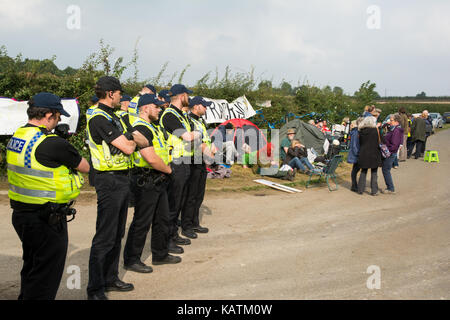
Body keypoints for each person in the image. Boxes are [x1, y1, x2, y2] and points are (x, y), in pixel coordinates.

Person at [7, 92, 90, 299]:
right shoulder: (52, 143)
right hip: (47, 218)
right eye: (58, 115)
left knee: (32, 267)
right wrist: (63, 143)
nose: (59, 120)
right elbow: (85, 166)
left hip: (22, 214)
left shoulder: (18, 135)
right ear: (49, 115)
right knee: (45, 276)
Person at [86, 76, 147, 300]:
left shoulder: (114, 116)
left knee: (117, 233)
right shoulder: (99, 118)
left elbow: (140, 139)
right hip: (109, 180)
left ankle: (110, 279)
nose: (122, 97)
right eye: (120, 93)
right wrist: (132, 139)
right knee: (105, 236)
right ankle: (95, 289)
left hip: (122, 179)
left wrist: (131, 138)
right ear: (111, 93)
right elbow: (130, 147)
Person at [123, 94, 181, 273]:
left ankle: (160, 254)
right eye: (156, 107)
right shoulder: (141, 128)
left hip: (158, 178)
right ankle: (132, 259)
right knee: (142, 221)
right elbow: (150, 157)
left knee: (162, 218)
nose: (159, 109)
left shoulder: (151, 126)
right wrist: (170, 171)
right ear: (145, 108)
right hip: (147, 179)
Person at [160, 84, 200, 249]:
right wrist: (198, 134)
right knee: (173, 204)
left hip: (184, 161)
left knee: (179, 201)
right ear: (181, 95)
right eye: (187, 95)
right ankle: (167, 240)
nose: (188, 98)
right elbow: (188, 136)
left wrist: (195, 135)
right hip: (175, 162)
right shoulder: (170, 115)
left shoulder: (180, 115)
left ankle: (173, 234)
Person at [181, 96, 216, 238]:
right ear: (196, 106)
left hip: (202, 161)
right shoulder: (189, 121)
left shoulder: (200, 121)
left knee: (199, 195)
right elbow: (196, 142)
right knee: (191, 195)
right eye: (204, 106)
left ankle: (194, 223)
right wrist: (211, 157)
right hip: (194, 160)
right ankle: (186, 225)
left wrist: (212, 149)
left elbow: (205, 140)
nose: (206, 108)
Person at [357, 116, 382, 196]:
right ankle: (374, 190)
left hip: (363, 153)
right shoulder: (375, 130)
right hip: (374, 153)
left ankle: (360, 189)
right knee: (374, 172)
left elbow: (360, 143)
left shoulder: (361, 131)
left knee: (363, 171)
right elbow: (381, 141)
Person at [381, 114, 404, 194]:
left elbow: (394, 145)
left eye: (391, 120)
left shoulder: (396, 131)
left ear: (396, 122)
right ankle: (390, 187)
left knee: (386, 170)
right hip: (390, 152)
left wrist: (387, 151)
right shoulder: (394, 129)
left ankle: (390, 188)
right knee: (385, 169)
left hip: (390, 153)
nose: (389, 122)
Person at [347, 118, 361, 192]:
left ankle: (354, 185)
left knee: (355, 170)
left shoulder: (354, 132)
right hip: (356, 154)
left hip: (354, 153)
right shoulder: (355, 132)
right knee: (355, 170)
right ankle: (354, 185)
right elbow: (355, 145)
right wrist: (358, 153)